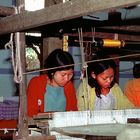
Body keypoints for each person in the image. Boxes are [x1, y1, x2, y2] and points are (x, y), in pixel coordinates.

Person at [27, 49, 78, 117]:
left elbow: (73, 112)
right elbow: (31, 113)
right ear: (52, 72)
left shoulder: (69, 86)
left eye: (70, 74)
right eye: (63, 75)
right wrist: (55, 115)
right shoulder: (36, 83)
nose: (67, 79)